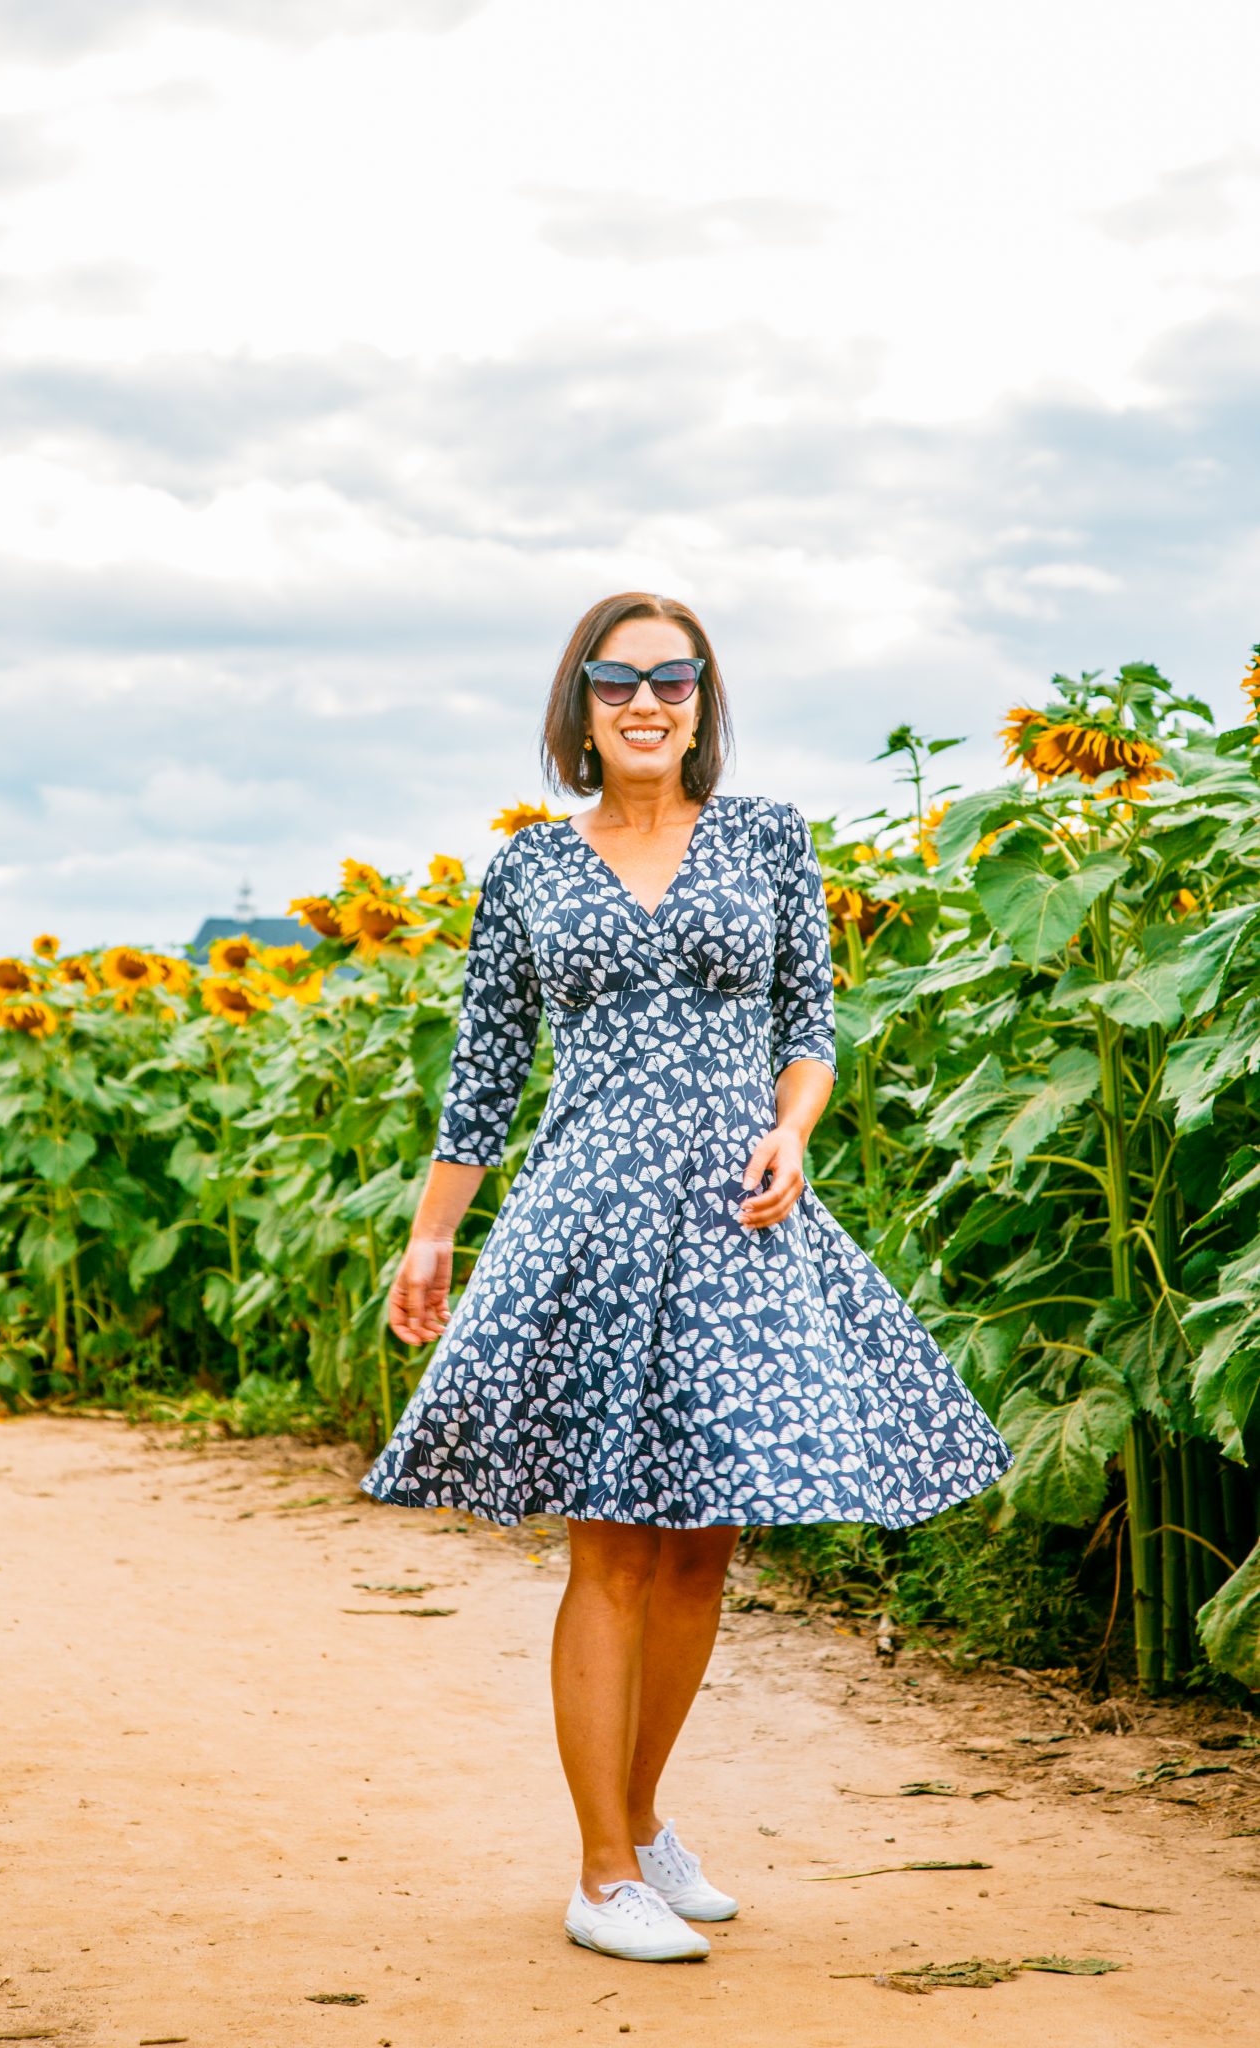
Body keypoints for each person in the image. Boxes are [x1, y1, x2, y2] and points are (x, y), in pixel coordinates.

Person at [360, 591, 1012, 1962]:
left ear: (703, 701)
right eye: (614, 681)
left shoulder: (770, 838)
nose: (644, 701)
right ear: (577, 706)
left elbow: (808, 1028)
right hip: (588, 1211)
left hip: (739, 1213)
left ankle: (642, 1825)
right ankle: (599, 1876)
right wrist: (432, 1235)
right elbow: (483, 1081)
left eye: (672, 678)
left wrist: (791, 1128)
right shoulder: (531, 871)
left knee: (702, 1542)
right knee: (608, 1539)